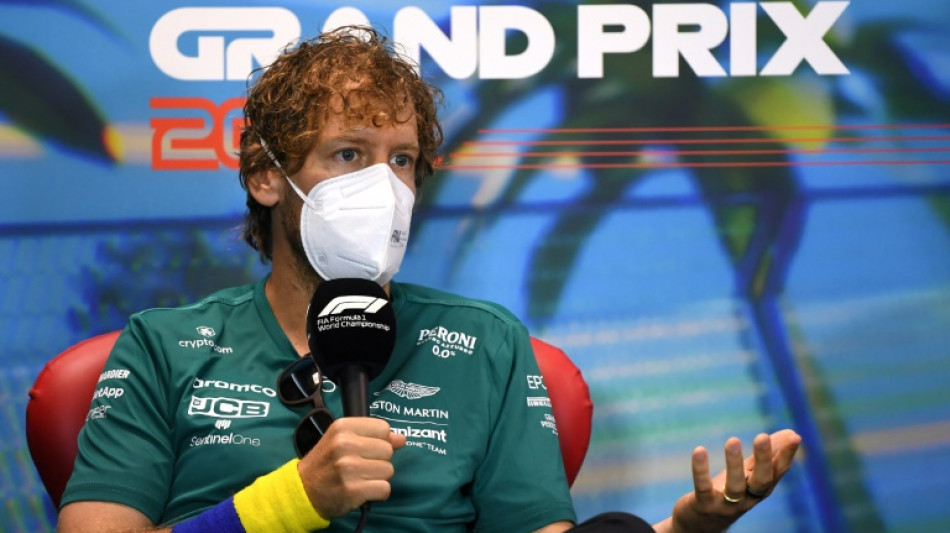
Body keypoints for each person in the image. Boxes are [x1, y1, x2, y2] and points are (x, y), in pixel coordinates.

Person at [57, 26, 801, 533]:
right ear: (265, 176)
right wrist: (291, 501)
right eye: (349, 154)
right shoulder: (163, 346)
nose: (383, 187)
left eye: (403, 160)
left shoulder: (486, 343)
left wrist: (680, 530)